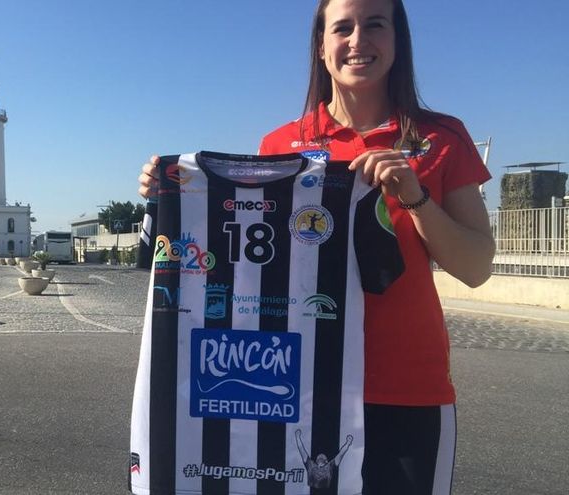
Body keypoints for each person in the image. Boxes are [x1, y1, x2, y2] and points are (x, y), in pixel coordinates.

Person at [137, 0, 495, 493]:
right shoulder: (280, 145)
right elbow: (243, 258)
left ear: (398, 39)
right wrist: (174, 192)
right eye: (342, 28)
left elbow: (477, 266)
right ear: (321, 47)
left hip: (407, 385)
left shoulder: (442, 137)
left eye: (375, 25)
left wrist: (415, 197)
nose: (358, 41)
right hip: (302, 391)